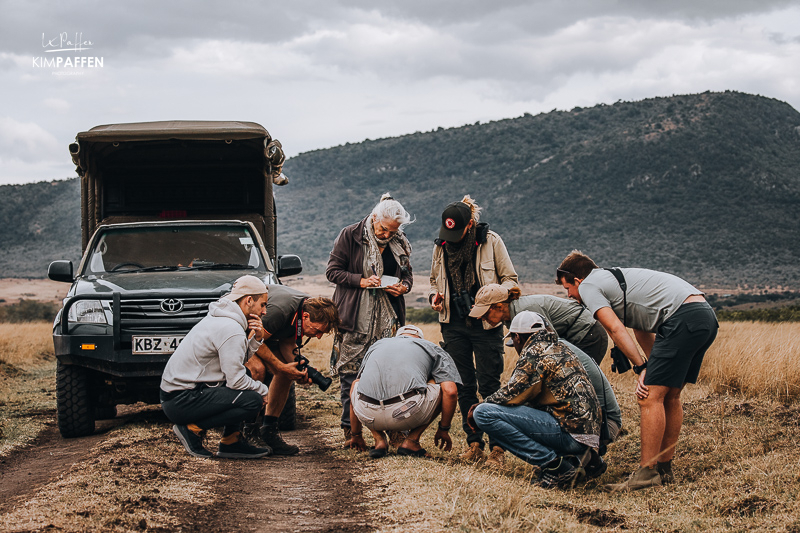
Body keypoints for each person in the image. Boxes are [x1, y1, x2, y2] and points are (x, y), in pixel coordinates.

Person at [556, 250, 718, 491]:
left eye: (567, 288)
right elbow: (642, 329)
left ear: (577, 280)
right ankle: (663, 469)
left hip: (681, 319)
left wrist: (642, 368)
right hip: (703, 317)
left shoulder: (590, 285)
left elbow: (614, 329)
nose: (569, 296)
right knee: (670, 395)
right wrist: (651, 368)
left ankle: (646, 475)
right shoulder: (616, 281)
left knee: (649, 397)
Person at [429, 195, 518, 466]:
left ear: (469, 226)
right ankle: (474, 442)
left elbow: (511, 281)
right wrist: (435, 296)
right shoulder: (441, 246)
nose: (451, 236)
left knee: (490, 384)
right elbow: (434, 279)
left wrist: (488, 298)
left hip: (486, 323)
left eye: (457, 231)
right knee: (463, 384)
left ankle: (498, 448)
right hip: (452, 324)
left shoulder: (492, 242)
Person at [469, 311, 602, 488]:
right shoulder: (560, 347)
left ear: (517, 337)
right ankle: (583, 460)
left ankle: (554, 466)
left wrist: (480, 406)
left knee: (483, 414)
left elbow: (512, 393)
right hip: (588, 435)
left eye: (514, 342)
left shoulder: (534, 352)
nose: (515, 348)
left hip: (570, 434)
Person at [326, 193, 414, 444]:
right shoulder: (350, 235)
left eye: (393, 231)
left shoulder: (400, 240)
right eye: (384, 229)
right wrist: (361, 281)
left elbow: (408, 275)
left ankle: (395, 429)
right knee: (350, 375)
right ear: (374, 218)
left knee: (391, 374)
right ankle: (351, 432)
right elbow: (332, 271)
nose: (388, 235)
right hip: (355, 316)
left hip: (389, 317)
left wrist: (403, 287)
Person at [160, 275, 273, 459]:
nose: (265, 312)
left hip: (177, 395)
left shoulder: (223, 318)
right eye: (263, 304)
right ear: (249, 300)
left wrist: (257, 339)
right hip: (180, 400)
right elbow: (235, 381)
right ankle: (191, 430)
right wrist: (263, 390)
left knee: (245, 373)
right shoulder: (231, 328)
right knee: (253, 400)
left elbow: (236, 361)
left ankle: (231, 441)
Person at [244, 284, 340, 455]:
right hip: (241, 333)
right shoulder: (281, 311)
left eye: (321, 334)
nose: (318, 336)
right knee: (258, 370)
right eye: (317, 330)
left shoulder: (303, 313)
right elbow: (253, 341)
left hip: (258, 337)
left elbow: (287, 343)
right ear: (306, 316)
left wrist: (299, 371)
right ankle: (248, 432)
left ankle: (269, 431)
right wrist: (280, 366)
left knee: (287, 372)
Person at [344, 325, 461, 459]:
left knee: (356, 384)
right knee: (441, 382)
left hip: (368, 414)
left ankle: (379, 440)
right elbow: (451, 391)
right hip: (407, 412)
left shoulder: (377, 345)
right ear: (420, 339)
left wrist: (356, 435)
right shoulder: (430, 347)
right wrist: (443, 429)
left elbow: (358, 387)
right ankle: (412, 440)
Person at [469, 284, 609, 364]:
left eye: (485, 313)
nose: (482, 318)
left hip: (589, 335)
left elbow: (551, 347)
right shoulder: (510, 317)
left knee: (579, 382)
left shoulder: (527, 312)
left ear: (499, 306)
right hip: (576, 336)